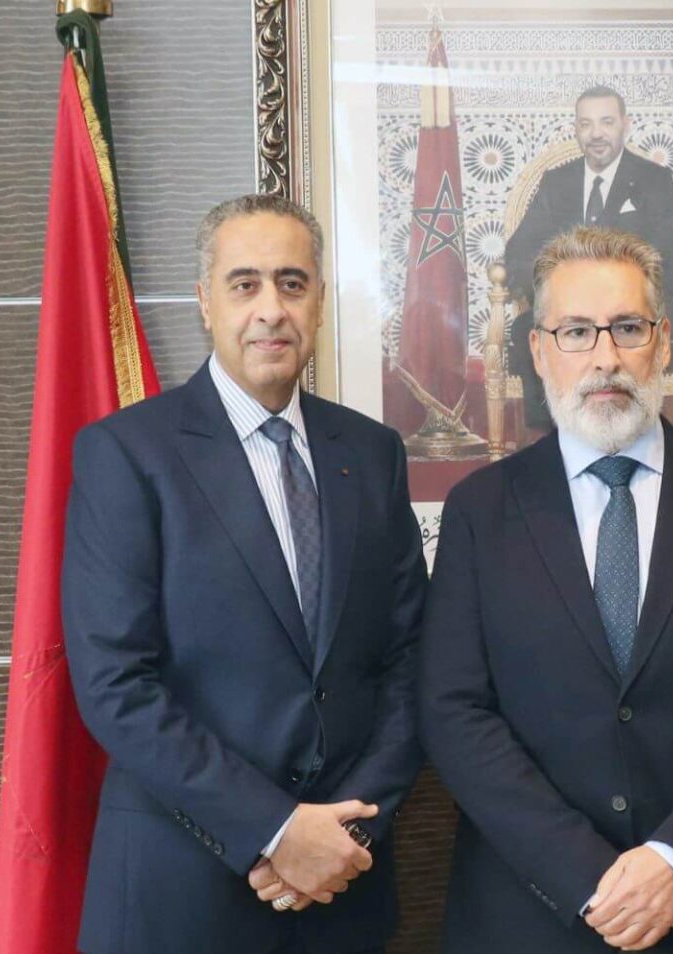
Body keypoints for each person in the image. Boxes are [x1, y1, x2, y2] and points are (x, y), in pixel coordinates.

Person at [420, 226, 673, 954]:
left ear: (663, 342)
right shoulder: (480, 510)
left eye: (628, 328)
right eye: (576, 331)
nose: (605, 357)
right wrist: (586, 876)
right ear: (538, 350)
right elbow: (454, 710)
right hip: (533, 914)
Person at [63, 194, 427, 954]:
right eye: (245, 284)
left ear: (319, 302)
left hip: (343, 891)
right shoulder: (127, 454)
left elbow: (410, 662)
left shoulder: (373, 453)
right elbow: (115, 684)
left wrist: (344, 833)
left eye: (292, 283)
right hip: (180, 894)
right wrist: (275, 830)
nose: (271, 309)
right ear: (206, 302)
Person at [503, 85, 673, 430]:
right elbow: (518, 252)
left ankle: (626, 430)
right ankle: (552, 437)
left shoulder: (655, 180)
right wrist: (558, 293)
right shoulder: (557, 181)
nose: (596, 133)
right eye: (586, 124)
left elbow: (662, 256)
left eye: (606, 122)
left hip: (635, 309)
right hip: (569, 312)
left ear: (625, 125)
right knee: (528, 327)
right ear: (576, 129)